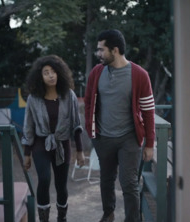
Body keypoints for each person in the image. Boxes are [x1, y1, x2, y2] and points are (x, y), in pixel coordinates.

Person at [84, 29, 155, 222]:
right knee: (106, 180)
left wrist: (150, 143)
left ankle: (132, 219)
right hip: (103, 138)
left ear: (115, 50)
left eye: (101, 50)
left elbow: (148, 111)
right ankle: (108, 214)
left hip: (129, 138)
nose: (98, 54)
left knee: (129, 183)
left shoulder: (140, 75)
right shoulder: (97, 73)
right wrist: (91, 131)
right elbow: (89, 101)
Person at [22, 55, 85, 222]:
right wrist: (27, 154)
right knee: (44, 179)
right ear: (40, 77)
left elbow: (76, 125)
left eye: (54, 72)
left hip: (62, 145)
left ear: (60, 74)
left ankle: (61, 218)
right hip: (40, 144)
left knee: (61, 184)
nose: (51, 76)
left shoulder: (69, 95)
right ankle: (44, 219)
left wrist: (80, 151)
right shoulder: (33, 98)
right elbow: (28, 127)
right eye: (46, 73)